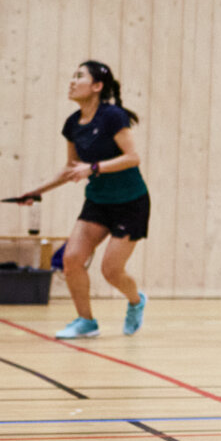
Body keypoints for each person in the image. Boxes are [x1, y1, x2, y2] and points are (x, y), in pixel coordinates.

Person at [20, 61, 150, 339]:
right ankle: (86, 321)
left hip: (130, 203)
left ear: (97, 86)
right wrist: (36, 191)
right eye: (73, 75)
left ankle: (136, 301)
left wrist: (94, 168)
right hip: (98, 202)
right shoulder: (72, 124)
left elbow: (133, 158)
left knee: (111, 271)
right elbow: (71, 168)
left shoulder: (112, 116)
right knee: (72, 260)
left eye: (79, 76)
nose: (72, 81)